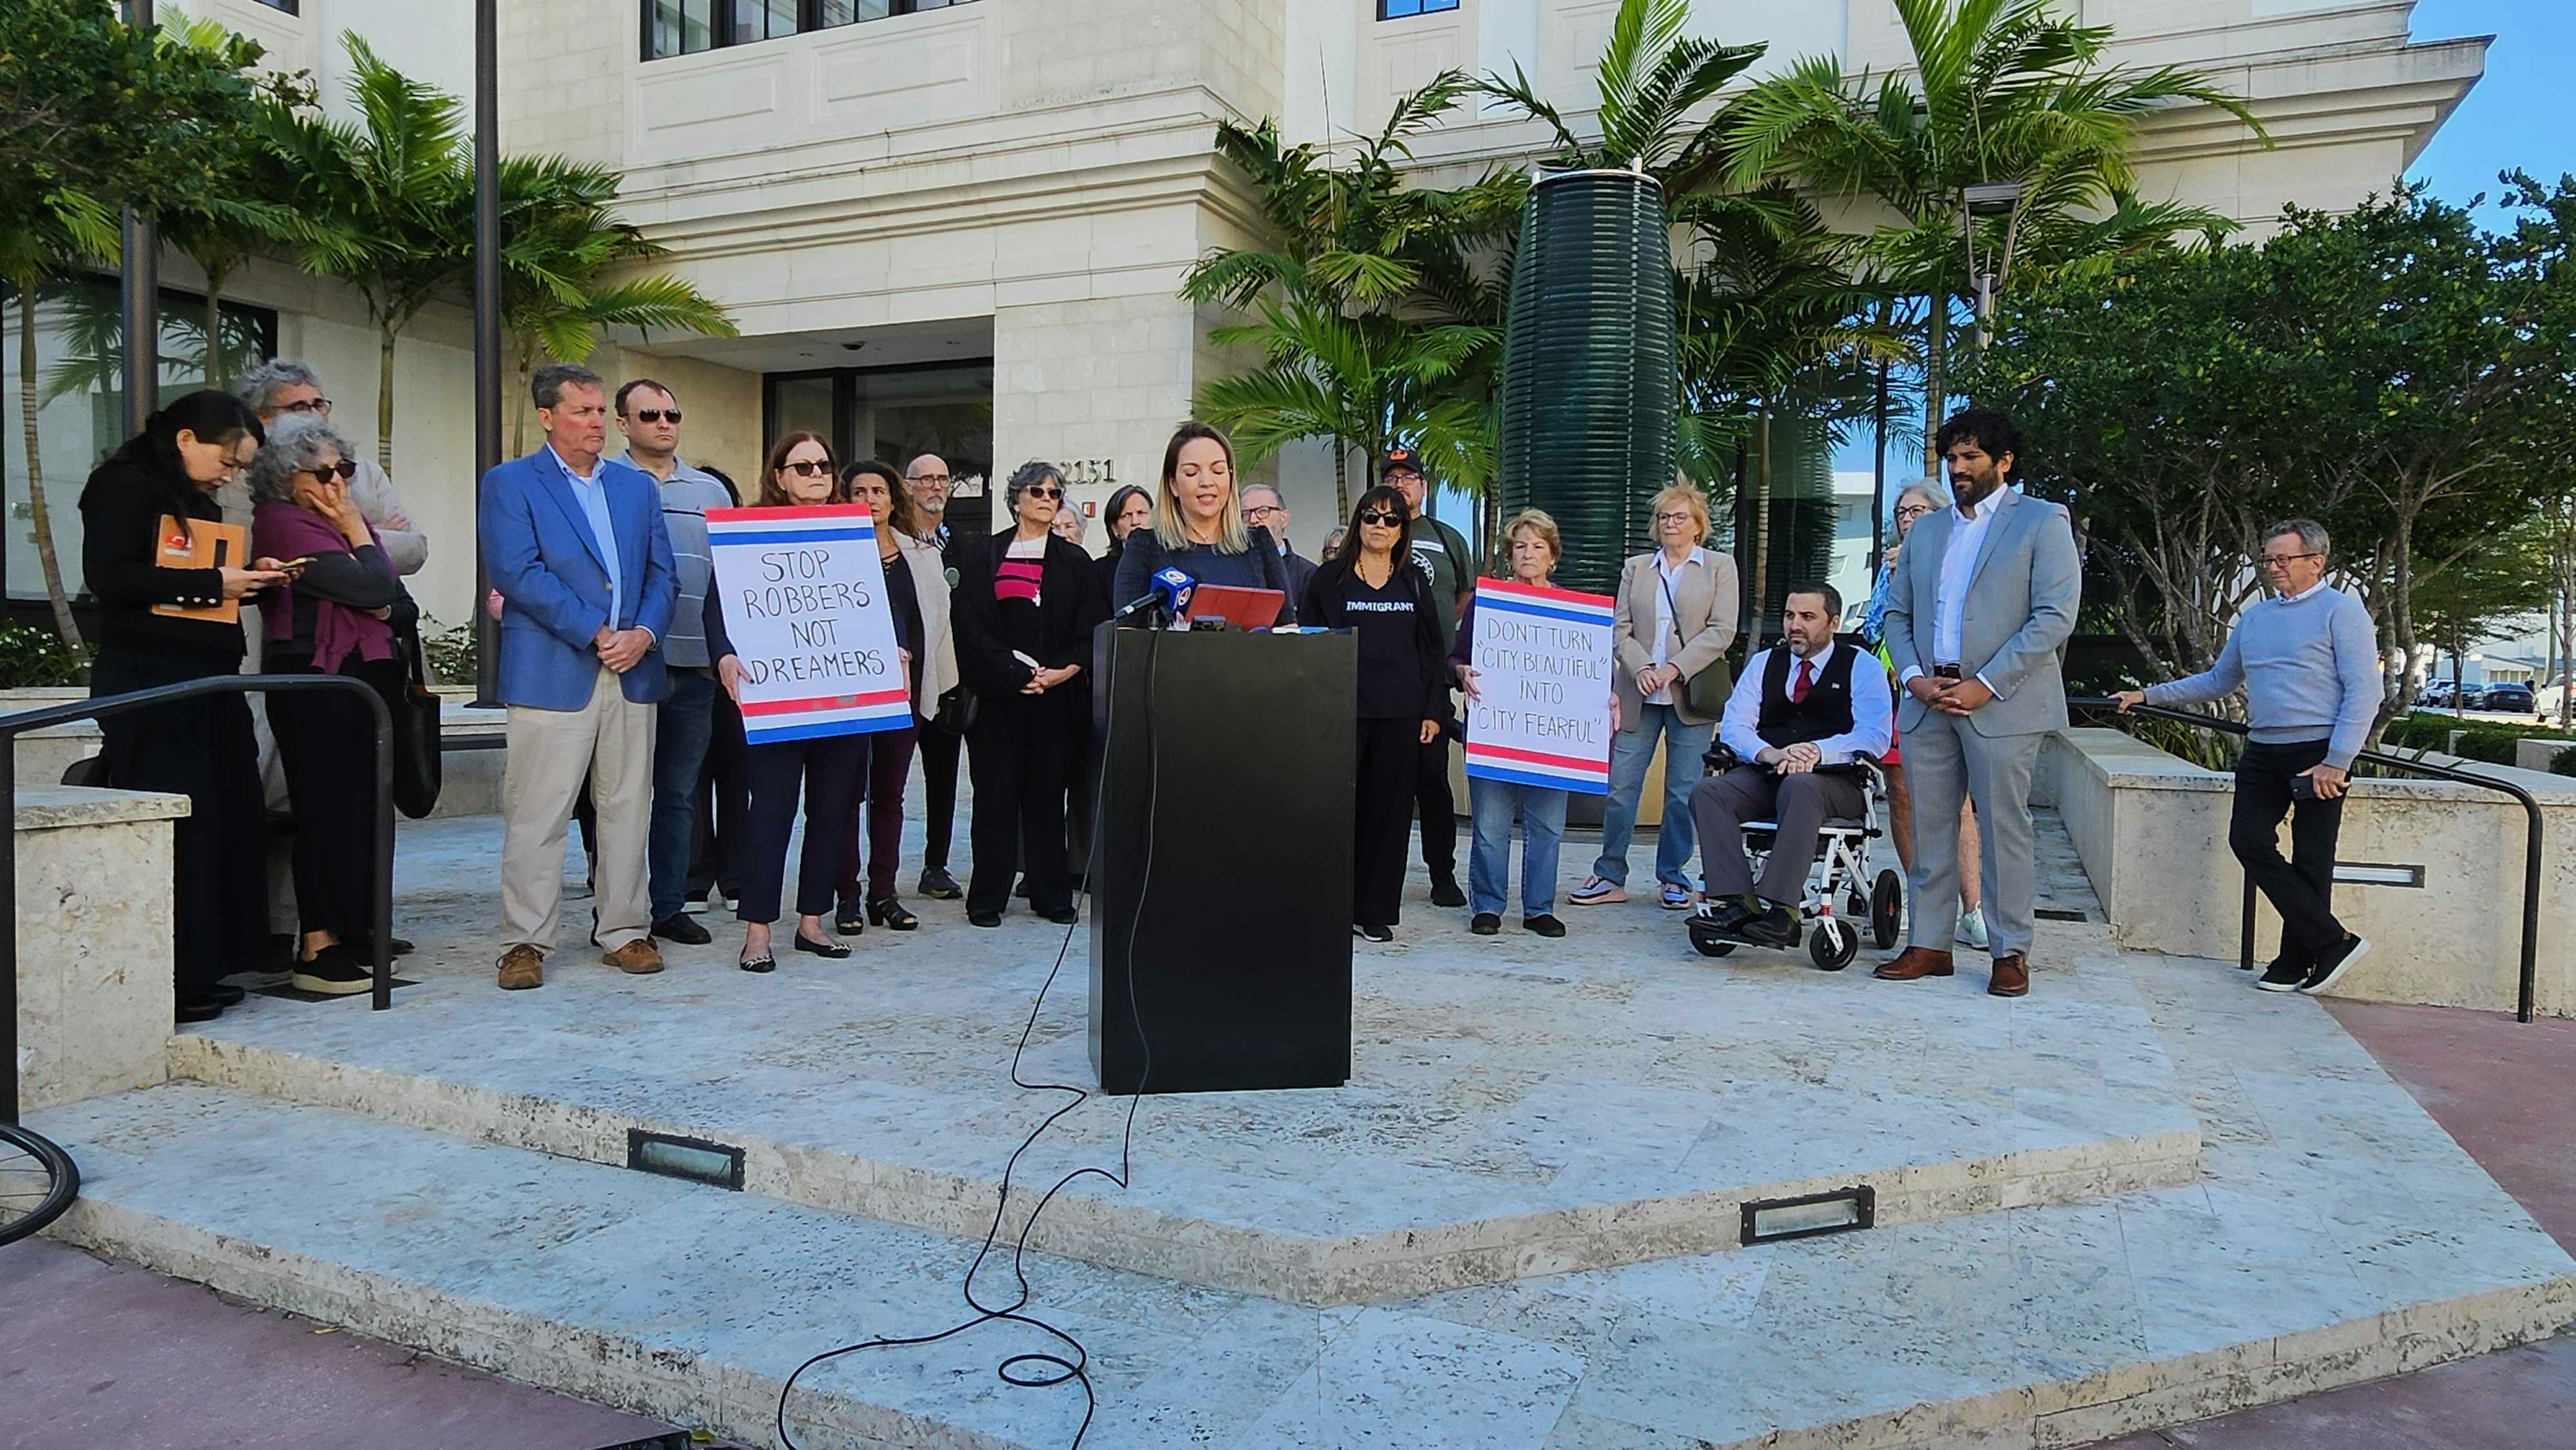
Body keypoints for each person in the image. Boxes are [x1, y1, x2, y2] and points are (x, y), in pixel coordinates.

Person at [79, 391, 289, 1022]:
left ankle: (209, 964)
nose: (230, 476)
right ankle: (172, 976)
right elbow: (112, 577)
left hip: (208, 673)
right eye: (227, 461)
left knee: (229, 815)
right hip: (151, 676)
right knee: (184, 822)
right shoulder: (122, 485)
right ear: (186, 439)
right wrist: (214, 583)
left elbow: (192, 579)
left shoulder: (191, 495)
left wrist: (252, 579)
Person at [479, 363, 677, 992]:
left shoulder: (635, 487)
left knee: (627, 808)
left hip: (632, 669)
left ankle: (625, 929)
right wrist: (595, 631)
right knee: (538, 814)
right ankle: (524, 942)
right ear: (547, 416)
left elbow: (663, 574)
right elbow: (517, 571)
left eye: (599, 411)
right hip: (551, 671)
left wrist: (643, 634)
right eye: (582, 411)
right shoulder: (510, 483)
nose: (597, 422)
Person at [2116, 519, 2378, 994]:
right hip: (2263, 748)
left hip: (2318, 752)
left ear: (2316, 562)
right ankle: (2333, 941)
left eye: (2283, 559)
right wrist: (2147, 695)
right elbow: (2218, 680)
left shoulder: (2342, 612)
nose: (2273, 567)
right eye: (2267, 559)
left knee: (2312, 859)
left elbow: (2364, 690)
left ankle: (2295, 960)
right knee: (2249, 840)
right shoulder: (2255, 619)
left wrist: (2337, 760)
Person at [1876, 408, 2080, 999]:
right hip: (1928, 700)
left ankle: (2009, 950)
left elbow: (2053, 617)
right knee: (1929, 826)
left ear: (2004, 461)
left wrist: (1984, 684)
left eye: (1971, 457)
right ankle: (1929, 944)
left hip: (2002, 703)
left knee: (2004, 829)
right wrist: (1914, 678)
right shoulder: (1927, 532)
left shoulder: (2042, 520)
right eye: (1952, 458)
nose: (1958, 467)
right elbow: (1897, 614)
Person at [246, 417, 418, 996]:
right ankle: (315, 945)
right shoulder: (282, 522)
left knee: (362, 811)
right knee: (323, 810)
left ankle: (352, 928)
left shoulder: (342, 523)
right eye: (321, 473)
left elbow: (400, 605)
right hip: (315, 680)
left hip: (365, 678)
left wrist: (370, 576)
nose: (337, 483)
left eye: (343, 470)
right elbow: (376, 588)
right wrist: (359, 539)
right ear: (285, 477)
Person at [703, 433, 870, 972]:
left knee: (832, 811)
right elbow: (717, 605)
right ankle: (756, 931)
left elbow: (870, 603)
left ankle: (812, 922)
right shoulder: (749, 530)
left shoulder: (851, 530)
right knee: (770, 812)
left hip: (842, 696)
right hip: (774, 695)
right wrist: (724, 655)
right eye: (803, 467)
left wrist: (890, 645)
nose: (817, 474)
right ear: (779, 476)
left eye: (824, 465)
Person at [594, 379, 738, 948]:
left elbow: (732, 578)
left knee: (679, 796)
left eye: (672, 414)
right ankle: (613, 910)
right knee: (619, 796)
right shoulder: (600, 481)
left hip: (696, 667)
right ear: (622, 424)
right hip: (626, 665)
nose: (663, 423)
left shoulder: (711, 491)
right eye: (650, 414)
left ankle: (669, 907)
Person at [1689, 583, 1893, 948]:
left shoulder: (1861, 666)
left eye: (1807, 617)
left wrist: (1816, 751)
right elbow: (1735, 724)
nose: (1794, 625)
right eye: (1789, 615)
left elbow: (1875, 735)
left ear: (1833, 623)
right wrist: (1769, 753)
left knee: (1801, 786)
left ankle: (1783, 911)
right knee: (1710, 792)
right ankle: (1739, 902)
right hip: (1770, 771)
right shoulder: (1765, 663)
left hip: (1836, 782)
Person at [951, 462, 1105, 927]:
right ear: (1016, 498)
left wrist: (1059, 673)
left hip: (1056, 701)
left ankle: (1050, 895)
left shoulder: (1075, 561)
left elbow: (1090, 629)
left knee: (1046, 800)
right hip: (998, 698)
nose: (1046, 500)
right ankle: (987, 898)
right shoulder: (983, 554)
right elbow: (969, 624)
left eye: (1054, 493)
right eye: (1037, 491)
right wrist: (1011, 671)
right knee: (994, 800)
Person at [1574, 482, 1740, 910]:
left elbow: (1722, 630)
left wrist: (1674, 668)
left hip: (1690, 695)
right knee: (1620, 786)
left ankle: (1672, 876)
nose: (1670, 524)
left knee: (1683, 792)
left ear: (1698, 525)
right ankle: (1610, 874)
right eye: (1664, 517)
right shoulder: (1637, 568)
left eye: (1679, 517)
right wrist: (1643, 667)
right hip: (1639, 692)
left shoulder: (1719, 566)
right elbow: (1620, 627)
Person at [1301, 486, 1448, 942]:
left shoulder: (1414, 581)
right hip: (1341, 713)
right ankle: (1330, 906)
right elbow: (1308, 644)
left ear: (1402, 530)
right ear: (1358, 523)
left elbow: (1431, 649)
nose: (1379, 526)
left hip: (1401, 715)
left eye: (1390, 519)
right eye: (1371, 516)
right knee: (1337, 812)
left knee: (1390, 816)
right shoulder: (1329, 579)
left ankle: (1374, 911)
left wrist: (1433, 710)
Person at [1862, 480, 1989, 951]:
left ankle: (1972, 908)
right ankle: (1924, 903)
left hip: (1953, 686)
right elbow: (1875, 625)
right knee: (1901, 794)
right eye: (1902, 512)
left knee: (1958, 801)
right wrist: (1897, 577)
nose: (1908, 519)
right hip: (1898, 689)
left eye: (1918, 511)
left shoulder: (1961, 556)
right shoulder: (1891, 565)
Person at [834, 460, 958, 935]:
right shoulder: (832, 554)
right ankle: (846, 894)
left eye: (878, 491)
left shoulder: (920, 555)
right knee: (846, 795)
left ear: (892, 500)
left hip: (904, 695)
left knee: (889, 795)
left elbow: (937, 620)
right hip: (846, 696)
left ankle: (883, 893)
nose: (870, 499)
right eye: (859, 491)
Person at [1451, 509, 1587, 937]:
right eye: (1520, 546)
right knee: (1490, 825)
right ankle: (1488, 906)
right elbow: (1456, 656)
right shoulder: (1487, 602)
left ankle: (1539, 908)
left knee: (1547, 826)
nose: (1528, 554)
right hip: (1495, 729)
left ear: (1552, 556)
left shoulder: (1572, 610)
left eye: (1538, 546)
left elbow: (1589, 671)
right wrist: (1461, 671)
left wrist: (1606, 698)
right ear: (1510, 554)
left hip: (1551, 737)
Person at [1379, 448, 1473, 907]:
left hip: (1431, 680)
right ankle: (1378, 878)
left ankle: (1442, 875)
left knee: (1433, 782)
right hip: (1381, 681)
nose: (1400, 485)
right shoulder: (1374, 534)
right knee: (1382, 785)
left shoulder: (1447, 537)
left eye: (1408, 477)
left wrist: (1440, 637)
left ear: (1423, 485)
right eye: (1391, 478)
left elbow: (1464, 595)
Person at [236, 361, 428, 577]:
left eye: (318, 405)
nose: (314, 415)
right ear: (262, 417)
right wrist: (360, 534)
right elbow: (253, 554)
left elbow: (415, 550)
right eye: (298, 407)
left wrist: (351, 536)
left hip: (373, 596)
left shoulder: (365, 472)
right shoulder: (239, 474)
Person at [1112, 422, 1297, 621]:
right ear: (1173, 484)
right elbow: (1126, 630)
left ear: (1230, 478)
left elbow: (1286, 626)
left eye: (1218, 471)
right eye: (1192, 473)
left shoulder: (1259, 542)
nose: (1206, 482)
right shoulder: (1145, 546)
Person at [689, 463, 750, 914]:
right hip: (687, 670)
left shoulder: (747, 549)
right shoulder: (678, 543)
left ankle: (736, 878)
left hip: (739, 682)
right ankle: (693, 880)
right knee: (689, 781)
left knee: (736, 780)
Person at [905, 452, 966, 900]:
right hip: (903, 676)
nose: (935, 486)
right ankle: (876, 873)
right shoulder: (892, 541)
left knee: (943, 777)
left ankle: (936, 865)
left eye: (942, 479)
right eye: (924, 479)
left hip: (949, 677)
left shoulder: (961, 544)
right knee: (886, 782)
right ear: (908, 487)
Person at [1242, 482, 1319, 605]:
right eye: (1245, 514)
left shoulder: (1307, 574)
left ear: (1284, 518)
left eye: (1263, 511)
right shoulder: (1232, 568)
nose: (1253, 520)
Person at [1095, 482, 1153, 605]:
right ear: (1115, 528)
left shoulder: (1170, 561)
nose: (1135, 521)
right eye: (1126, 515)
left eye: (1141, 513)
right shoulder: (1099, 571)